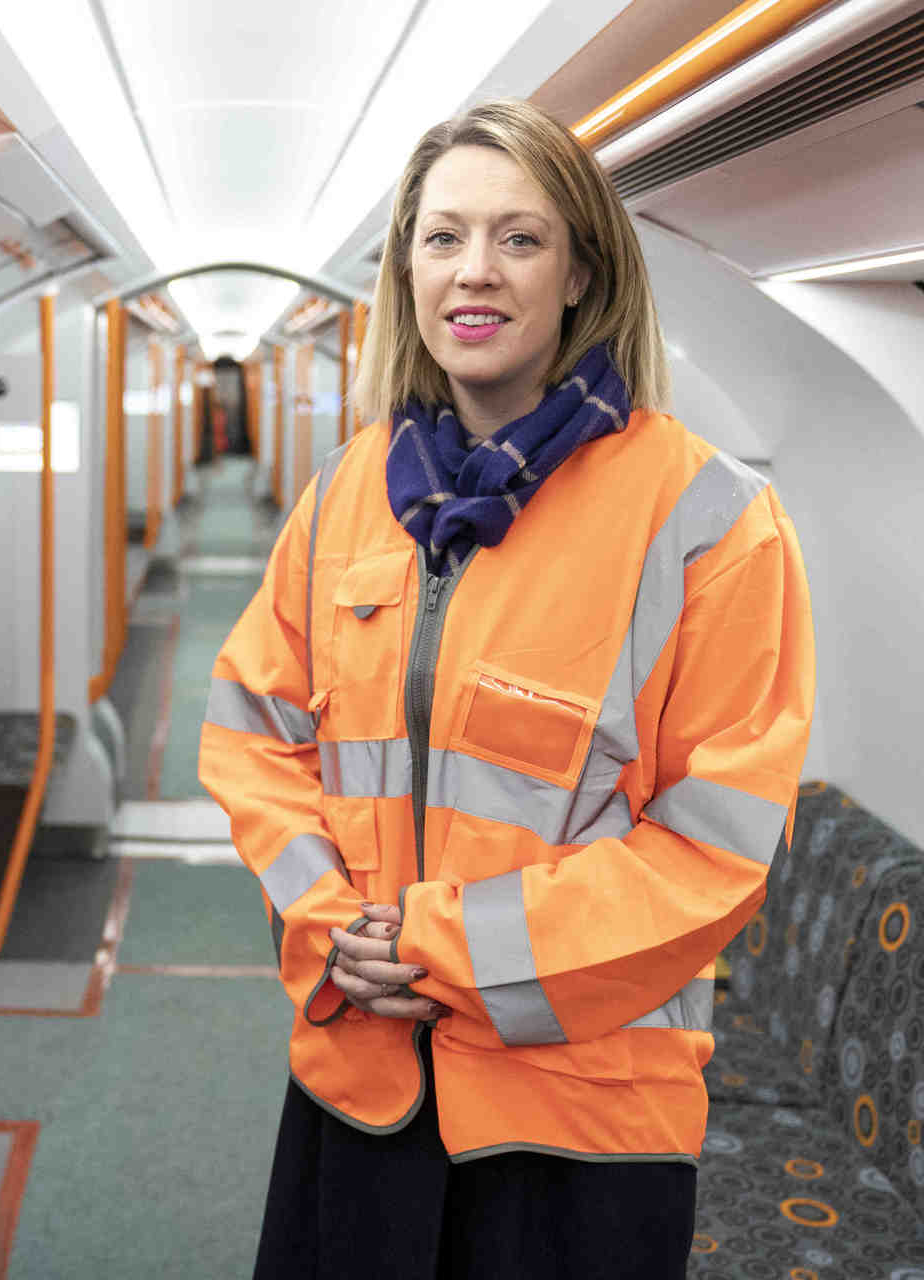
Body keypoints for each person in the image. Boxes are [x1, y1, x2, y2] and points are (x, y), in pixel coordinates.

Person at [198, 98, 814, 1279]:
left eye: (520, 238)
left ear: (583, 269)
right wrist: (327, 928)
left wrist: (438, 946)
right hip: (360, 1081)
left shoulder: (711, 520)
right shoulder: (347, 493)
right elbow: (251, 736)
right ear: (407, 269)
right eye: (443, 238)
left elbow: (716, 843)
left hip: (583, 1119)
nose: (474, 271)